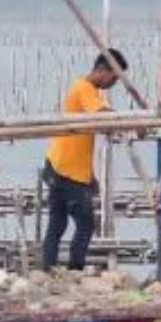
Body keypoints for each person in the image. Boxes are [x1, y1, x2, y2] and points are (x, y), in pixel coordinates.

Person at [41, 50, 124, 270]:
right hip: (67, 171)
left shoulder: (84, 89)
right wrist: (130, 122)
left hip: (58, 164)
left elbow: (83, 139)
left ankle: (47, 267)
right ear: (102, 70)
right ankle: (75, 269)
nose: (113, 83)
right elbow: (102, 114)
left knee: (57, 222)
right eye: (113, 78)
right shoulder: (84, 88)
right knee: (85, 224)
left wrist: (90, 176)